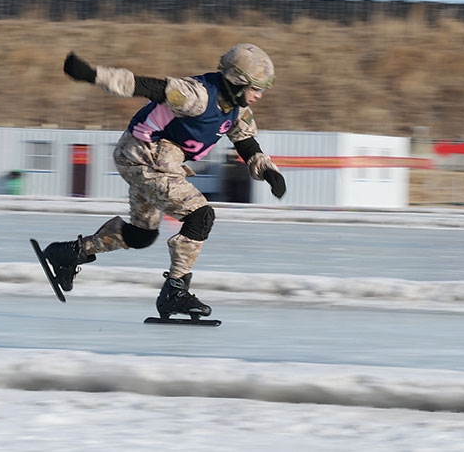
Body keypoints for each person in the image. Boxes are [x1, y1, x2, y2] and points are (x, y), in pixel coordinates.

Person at [42, 43, 287, 319]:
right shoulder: (196, 96)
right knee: (200, 215)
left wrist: (267, 171)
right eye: (256, 88)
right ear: (237, 81)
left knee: (141, 235)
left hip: (155, 162)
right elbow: (144, 85)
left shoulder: (235, 107)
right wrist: (92, 74)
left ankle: (69, 253)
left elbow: (244, 140)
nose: (259, 96)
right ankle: (175, 291)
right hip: (143, 158)